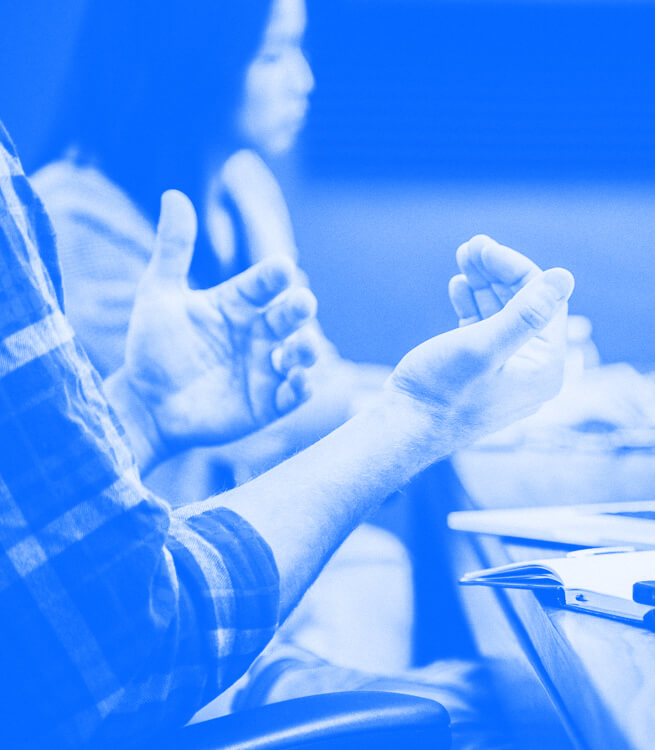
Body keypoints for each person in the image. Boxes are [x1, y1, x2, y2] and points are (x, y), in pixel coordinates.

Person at [0, 115, 575, 746]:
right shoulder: (65, 207)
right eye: (275, 51)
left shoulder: (247, 184)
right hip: (148, 692)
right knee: (530, 714)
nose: (303, 77)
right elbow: (132, 636)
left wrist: (138, 413)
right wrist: (419, 415)